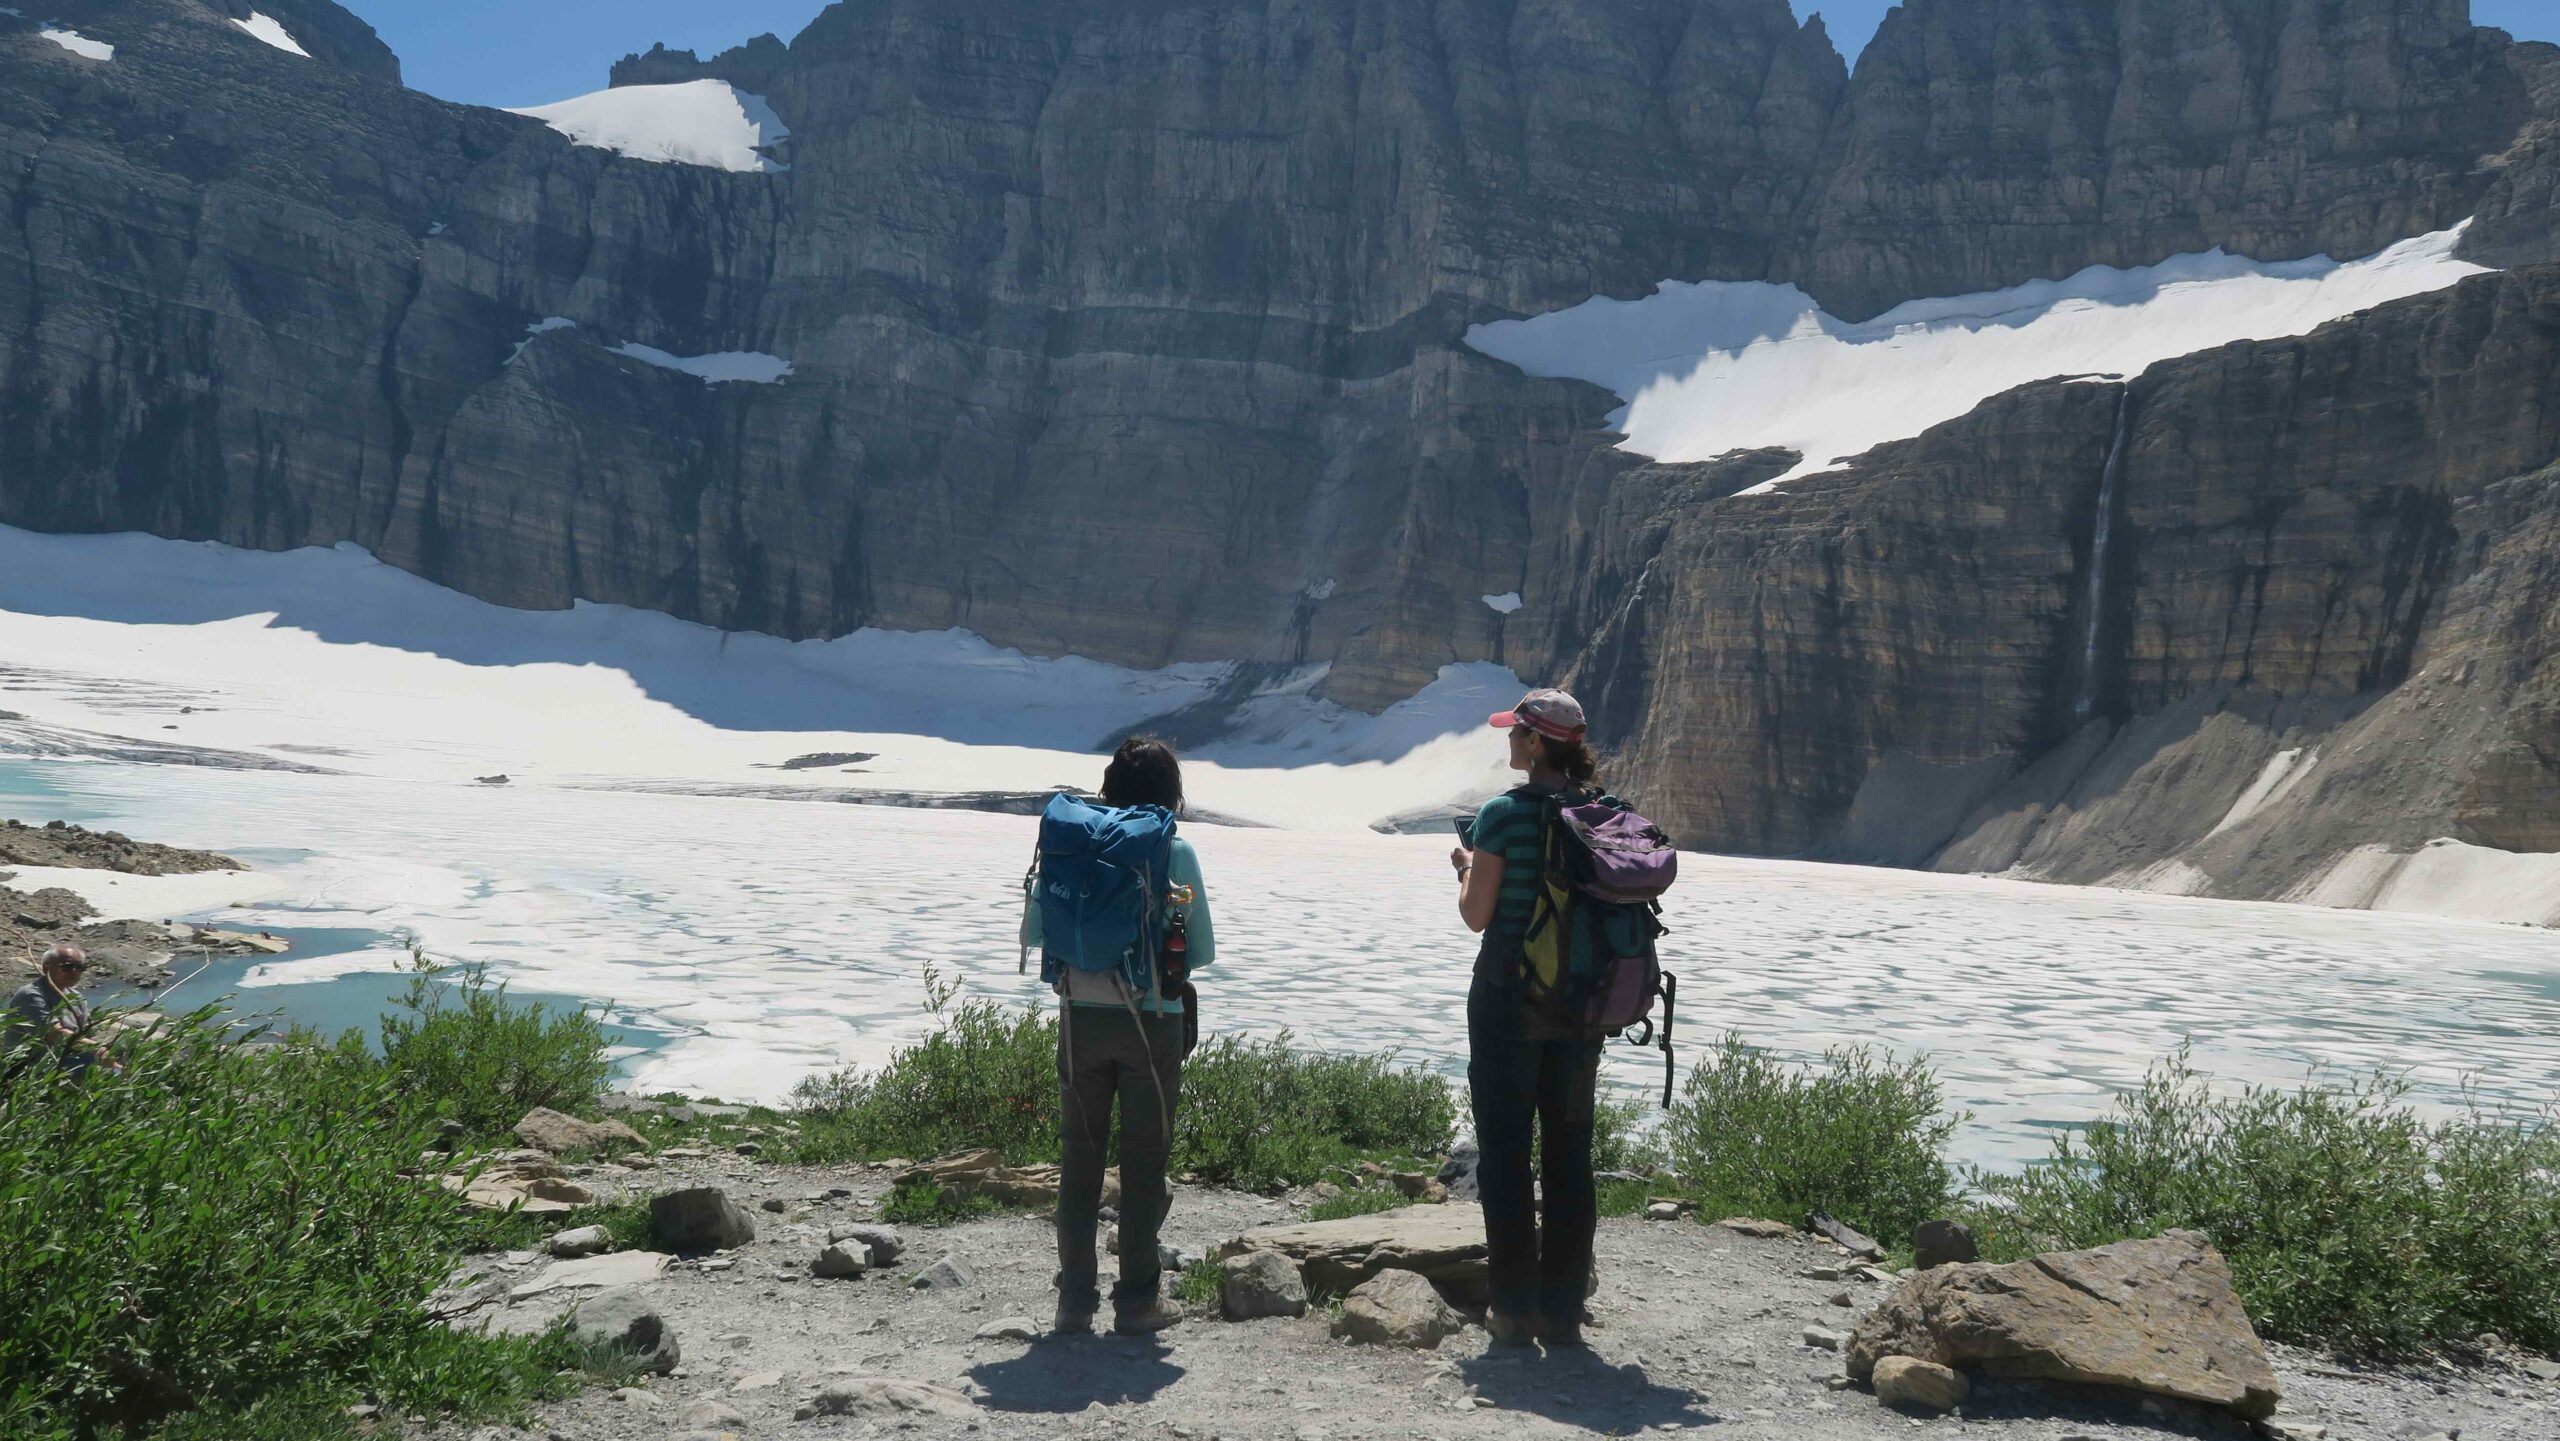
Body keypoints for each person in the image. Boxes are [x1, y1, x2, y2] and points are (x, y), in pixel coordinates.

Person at [1021, 736, 1217, 1337]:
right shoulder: (1172, 849)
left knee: (1080, 1160)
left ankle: (1073, 1301)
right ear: (1170, 792)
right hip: (1149, 1021)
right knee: (1143, 1161)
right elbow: (1200, 951)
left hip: (1080, 1015)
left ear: (1107, 786)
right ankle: (1137, 1301)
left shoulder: (1071, 844)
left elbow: (1037, 930)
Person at [1451, 688, 1604, 1348]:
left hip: (1508, 1001)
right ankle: (1563, 1310)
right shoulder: (1602, 814)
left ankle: (1512, 1307)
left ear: (1537, 743)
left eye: (1516, 732)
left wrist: (1464, 869)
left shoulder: (1503, 815)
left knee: (1507, 1152)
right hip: (1583, 1008)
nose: (1509, 741)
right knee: (1570, 1151)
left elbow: (1476, 914)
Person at [5, 943, 102, 1077]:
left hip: (63, 1060)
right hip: (31, 1069)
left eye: (79, 967)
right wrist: (96, 1049)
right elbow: (53, 1033)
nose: (74, 971)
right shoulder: (31, 995)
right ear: (46, 968)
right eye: (67, 966)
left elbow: (86, 1034)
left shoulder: (76, 997)